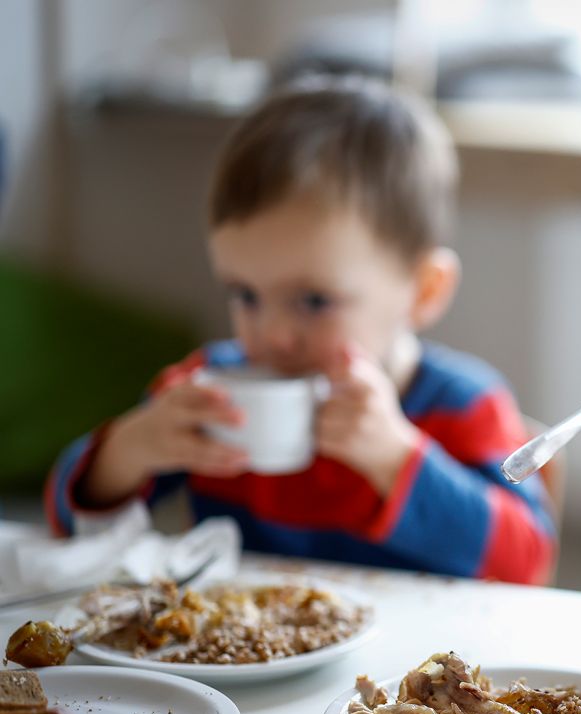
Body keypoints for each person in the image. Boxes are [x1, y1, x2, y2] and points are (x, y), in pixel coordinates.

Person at [46, 75, 555, 585]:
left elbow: (526, 566)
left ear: (423, 291)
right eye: (245, 294)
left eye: (314, 301)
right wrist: (133, 446)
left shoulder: (464, 407)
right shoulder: (214, 388)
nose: (273, 334)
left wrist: (397, 458)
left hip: (416, 663)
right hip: (241, 655)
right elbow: (66, 528)